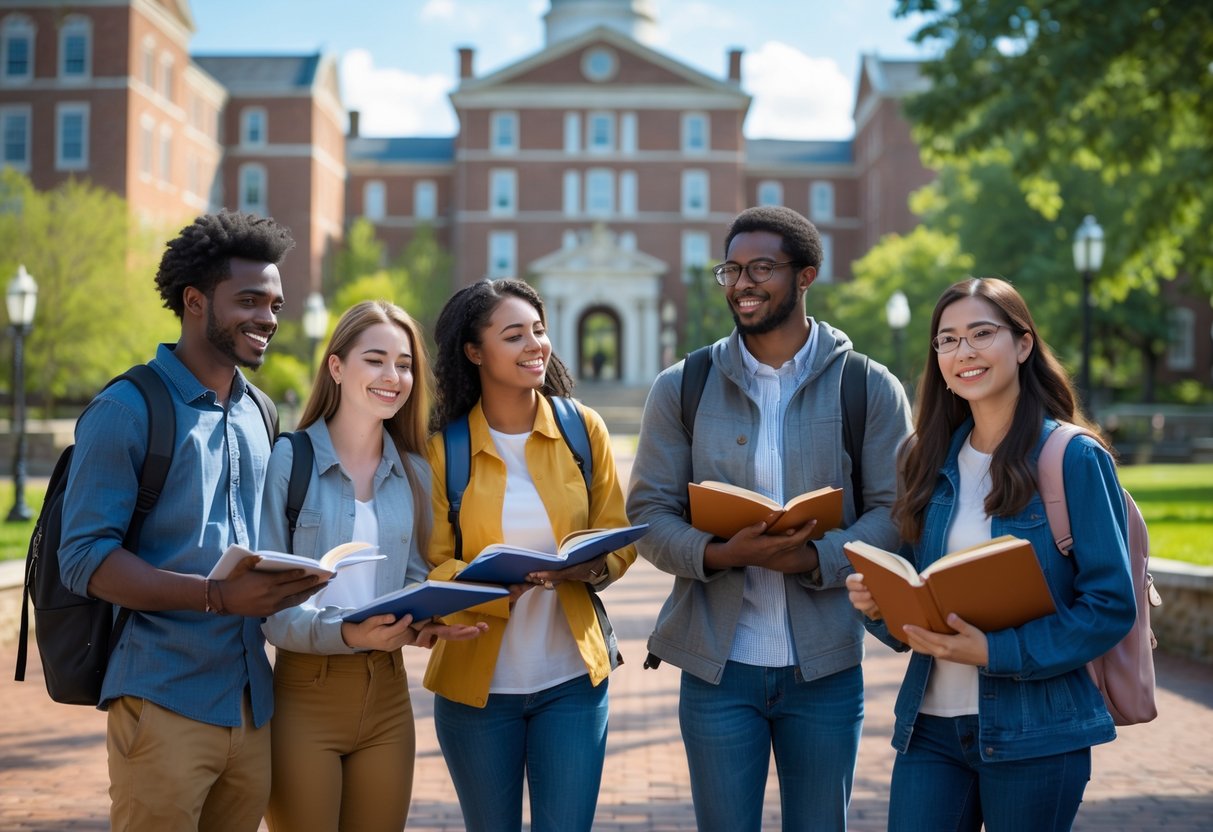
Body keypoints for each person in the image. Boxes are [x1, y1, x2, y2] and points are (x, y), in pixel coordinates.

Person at [626, 205, 912, 831]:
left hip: (826, 668)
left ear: (806, 274)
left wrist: (816, 558)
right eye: (731, 269)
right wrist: (719, 554)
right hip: (717, 668)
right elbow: (647, 511)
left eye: (761, 268)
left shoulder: (868, 386)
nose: (742, 284)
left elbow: (897, 511)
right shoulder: (683, 385)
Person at [57, 210, 324, 832]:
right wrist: (215, 595)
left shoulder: (262, 412)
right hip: (163, 696)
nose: (268, 318)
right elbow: (84, 558)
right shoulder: (126, 409)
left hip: (251, 704)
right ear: (195, 301)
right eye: (250, 300)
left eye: (276, 304)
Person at [845, 277, 1136, 831]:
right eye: (948, 340)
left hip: (1038, 732)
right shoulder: (924, 459)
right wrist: (880, 606)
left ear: (1023, 344)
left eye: (982, 333)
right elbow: (917, 599)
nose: (964, 352)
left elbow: (1109, 606)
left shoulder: (1072, 457)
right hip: (930, 727)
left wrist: (994, 652)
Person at [258, 301, 487, 832]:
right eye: (376, 360)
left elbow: (409, 575)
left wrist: (427, 617)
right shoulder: (290, 461)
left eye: (405, 364)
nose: (394, 377)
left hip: (388, 697)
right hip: (304, 698)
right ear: (336, 367)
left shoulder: (412, 470)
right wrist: (354, 634)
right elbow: (269, 608)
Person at [424, 278, 637, 832]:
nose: (535, 345)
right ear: (474, 352)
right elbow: (428, 563)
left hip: (572, 682)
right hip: (476, 692)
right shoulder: (442, 446)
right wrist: (492, 588)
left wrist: (590, 566)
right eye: (514, 335)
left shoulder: (581, 429)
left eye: (538, 331)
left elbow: (618, 534)